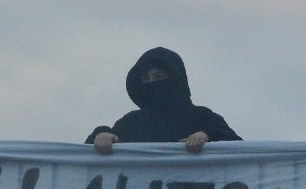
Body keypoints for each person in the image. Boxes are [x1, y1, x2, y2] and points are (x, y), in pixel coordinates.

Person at [87, 48, 239, 153]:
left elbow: (242, 153)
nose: (152, 84)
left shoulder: (202, 117)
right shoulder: (131, 123)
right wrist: (101, 135)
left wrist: (209, 136)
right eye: (146, 79)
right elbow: (81, 162)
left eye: (159, 76)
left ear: (176, 79)